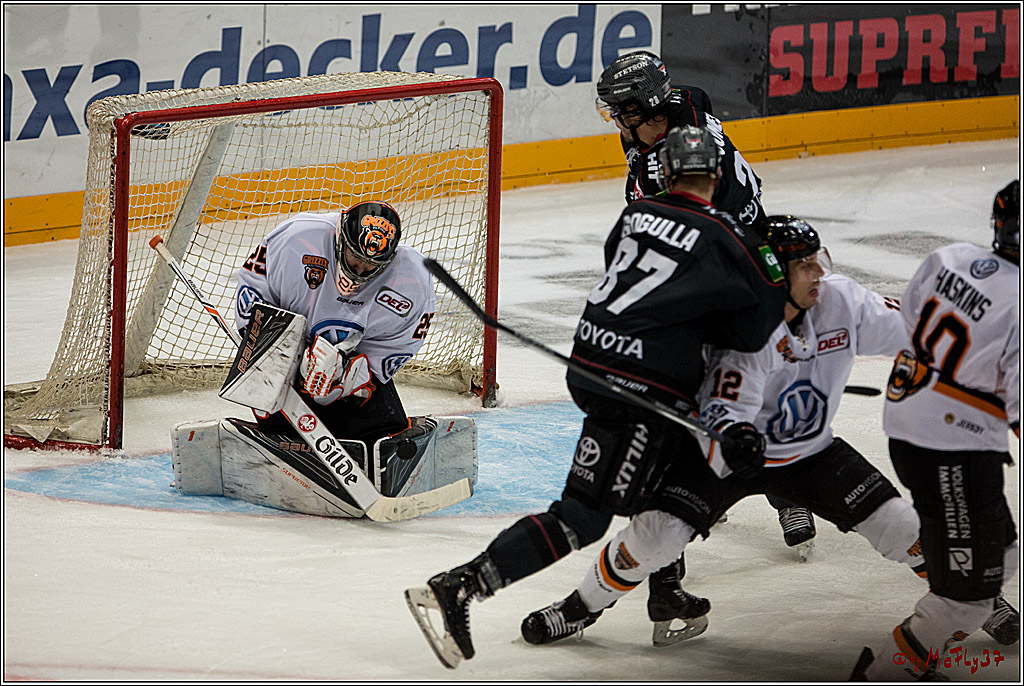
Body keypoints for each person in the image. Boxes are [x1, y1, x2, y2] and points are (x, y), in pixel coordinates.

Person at [403, 125, 788, 669]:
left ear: (666, 173)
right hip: (640, 389)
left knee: (667, 478)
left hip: (591, 365)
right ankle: (460, 586)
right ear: (718, 174)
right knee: (582, 518)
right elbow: (755, 332)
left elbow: (627, 275)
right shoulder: (728, 237)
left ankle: (665, 591)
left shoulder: (636, 215)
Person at [519, 215, 936, 647]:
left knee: (902, 526)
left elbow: (920, 331)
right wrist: (734, 433)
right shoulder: (740, 327)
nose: (818, 273)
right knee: (655, 538)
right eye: (804, 264)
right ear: (774, 273)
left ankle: (961, 598)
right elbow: (723, 407)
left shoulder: (843, 301)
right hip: (726, 457)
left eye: (817, 259)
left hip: (809, 452)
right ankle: (579, 608)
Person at [596, 49, 815, 625]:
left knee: (719, 405)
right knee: (734, 403)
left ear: (645, 109)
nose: (616, 121)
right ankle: (674, 571)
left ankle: (777, 501)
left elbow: (675, 246)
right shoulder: (687, 102)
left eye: (622, 111)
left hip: (731, 282)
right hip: (737, 264)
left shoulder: (662, 171)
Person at [852, 180, 1020, 680]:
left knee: (1002, 553)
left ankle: (922, 646)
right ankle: (888, 672)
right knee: (966, 599)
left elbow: (909, 322)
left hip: (909, 425)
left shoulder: (950, 258)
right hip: (953, 449)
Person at [234, 199, 435, 448]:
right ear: (340, 239)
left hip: (347, 361)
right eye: (354, 258)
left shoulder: (413, 278)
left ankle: (365, 436)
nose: (360, 270)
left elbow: (399, 344)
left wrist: (352, 375)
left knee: (381, 436)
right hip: (284, 354)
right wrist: (289, 355)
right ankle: (280, 437)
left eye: (371, 265)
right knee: (270, 403)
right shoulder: (297, 238)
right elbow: (253, 296)